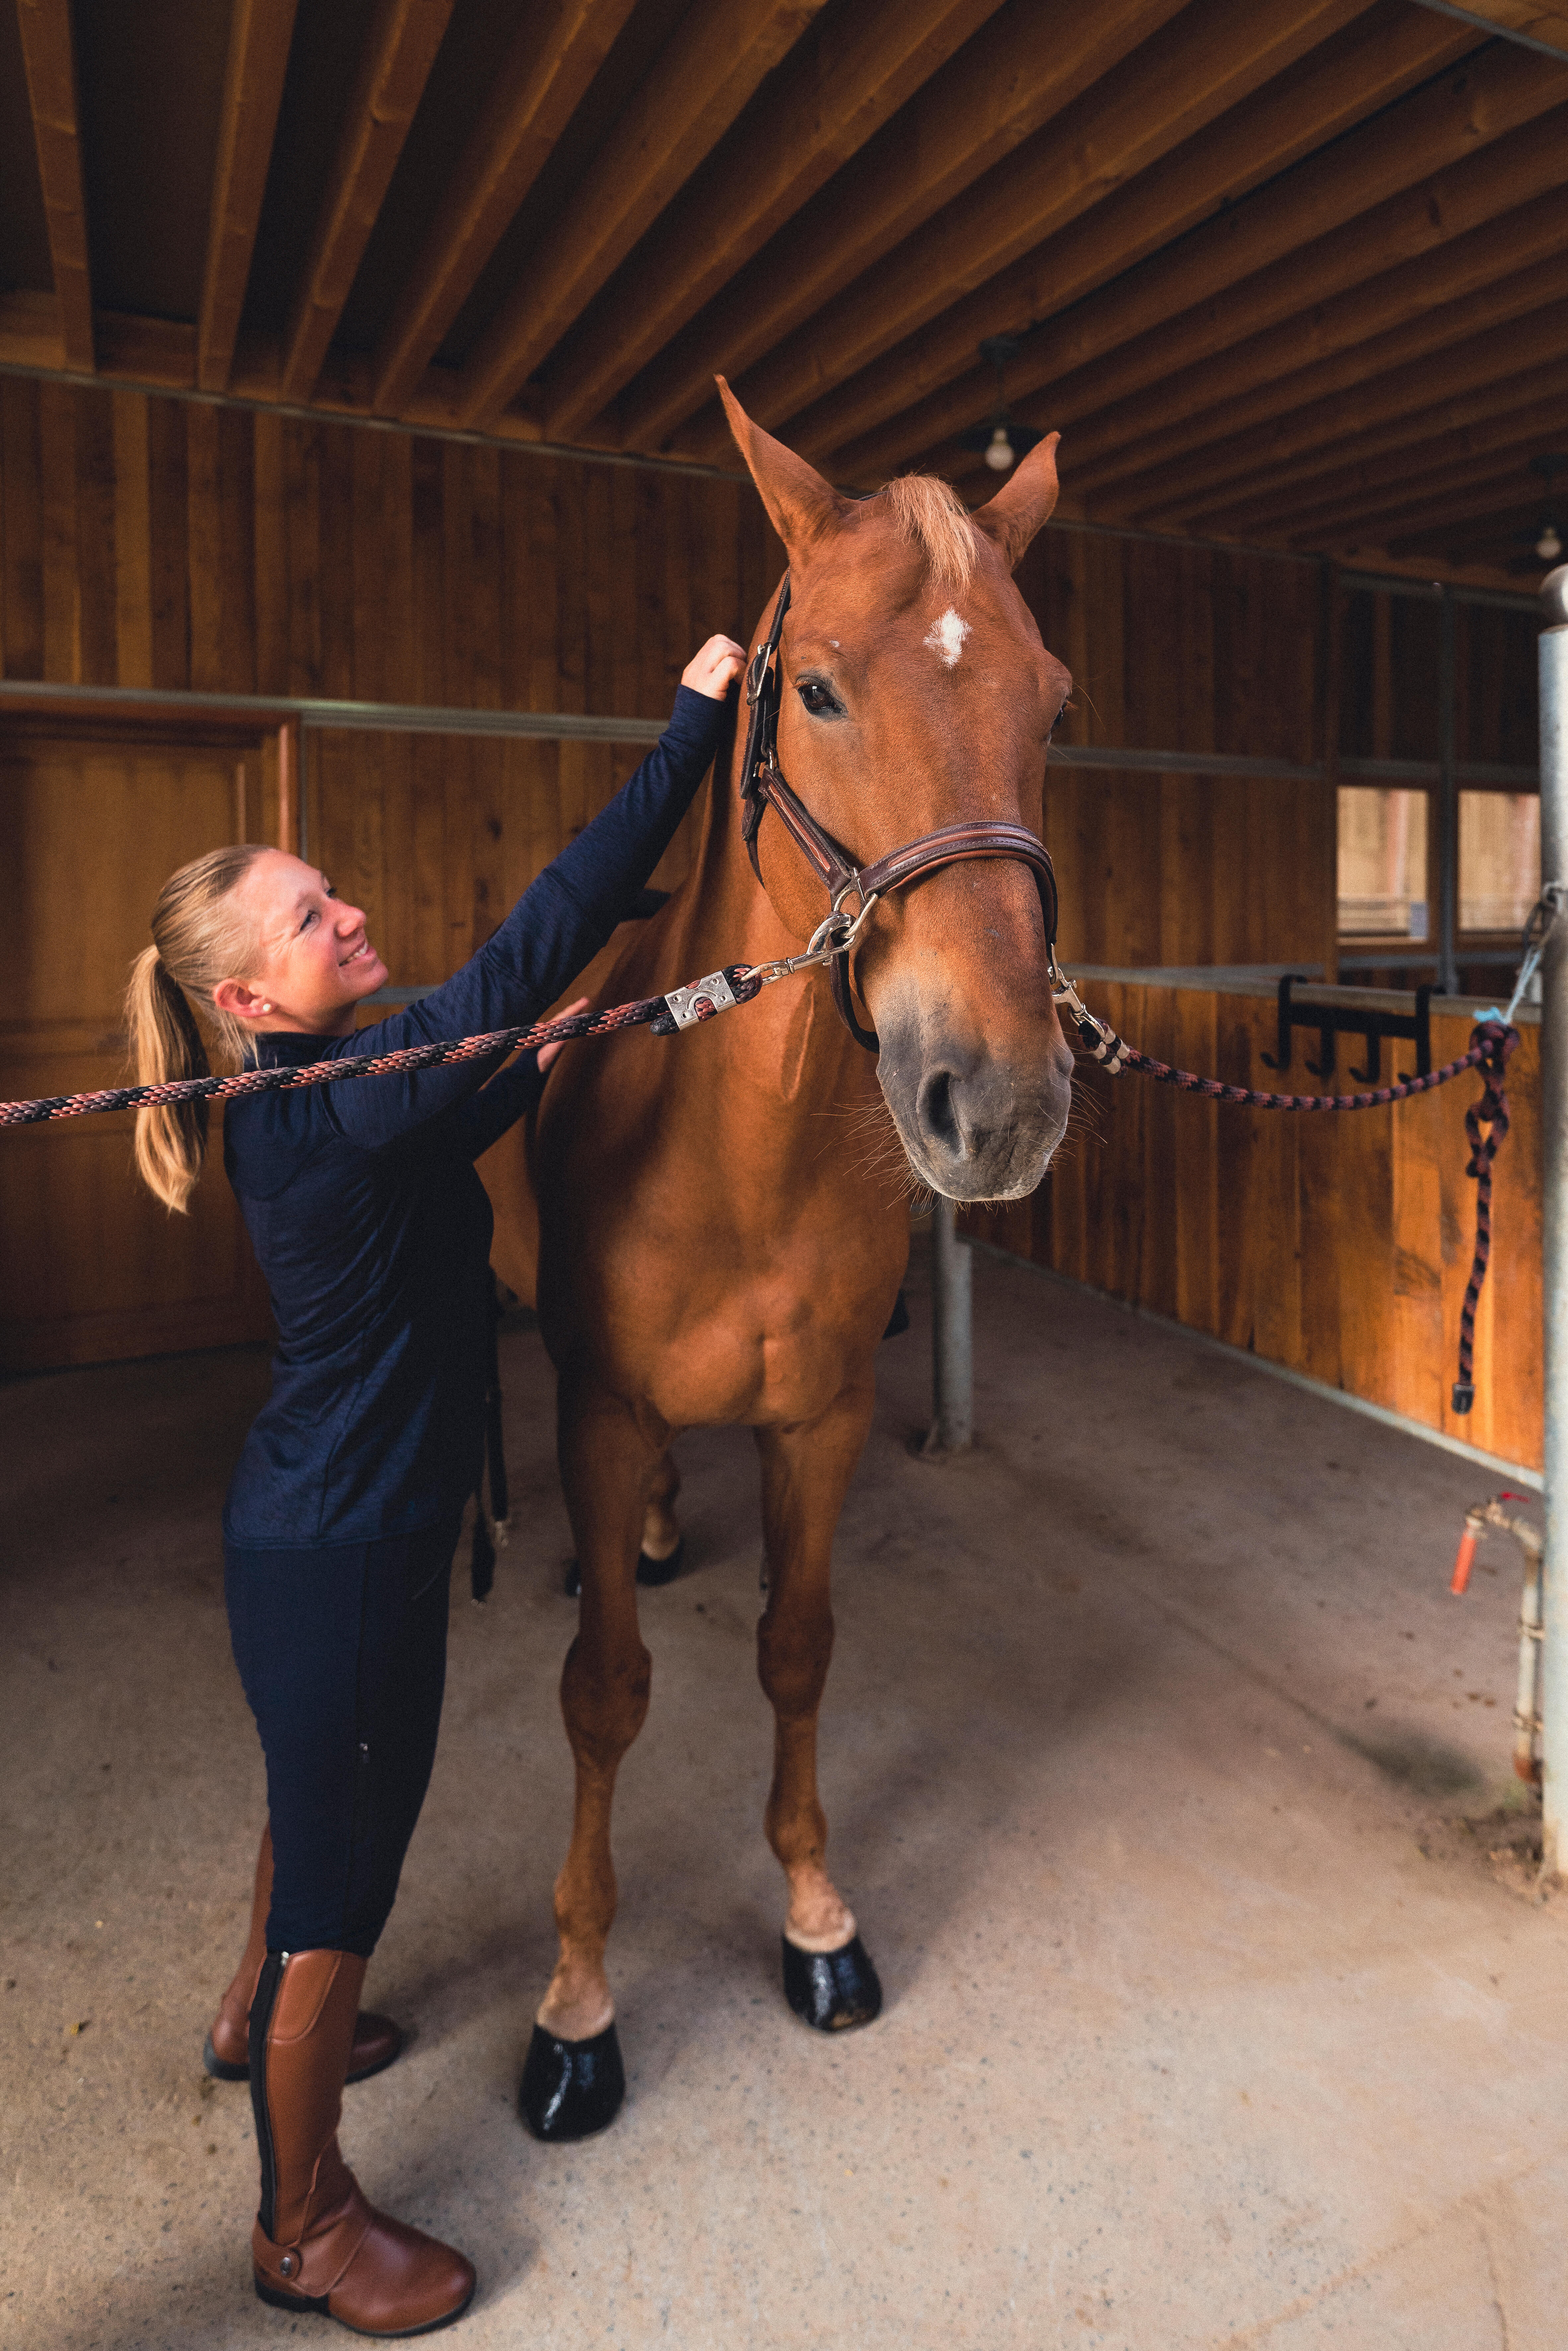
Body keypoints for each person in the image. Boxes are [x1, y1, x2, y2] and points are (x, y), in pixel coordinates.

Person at [125, 636, 745, 2335]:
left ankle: (257, 2019)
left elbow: (476, 1052)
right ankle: (301, 2224)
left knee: (308, 1801)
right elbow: (535, 942)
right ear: (246, 998)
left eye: (332, 893)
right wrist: (694, 726)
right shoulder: (333, 1109)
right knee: (348, 1879)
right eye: (311, 919)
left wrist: (543, 1045)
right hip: (345, 1549)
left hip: (313, 1534)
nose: (348, 917)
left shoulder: (323, 1095)